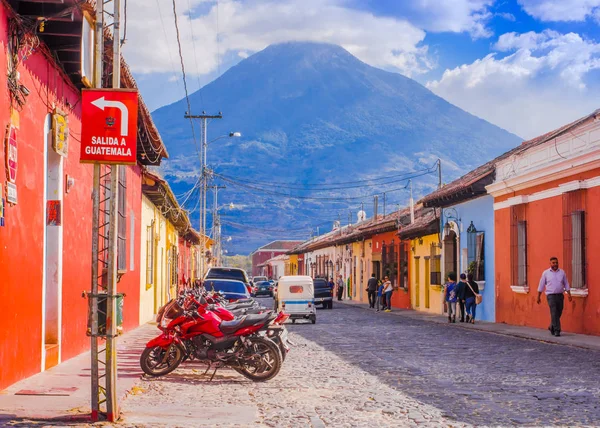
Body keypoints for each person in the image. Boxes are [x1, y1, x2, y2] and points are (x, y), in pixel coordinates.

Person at [537, 257, 572, 337]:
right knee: (554, 312)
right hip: (551, 296)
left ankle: (551, 326)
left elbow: (566, 283)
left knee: (559, 312)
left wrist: (569, 294)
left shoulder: (562, 272)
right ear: (550, 264)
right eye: (553, 263)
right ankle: (557, 330)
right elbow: (541, 285)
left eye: (556, 262)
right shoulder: (546, 273)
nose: (555, 264)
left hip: (560, 295)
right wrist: (538, 296)